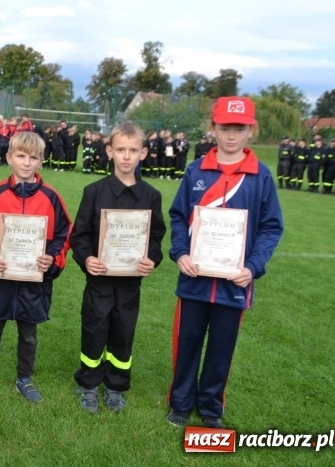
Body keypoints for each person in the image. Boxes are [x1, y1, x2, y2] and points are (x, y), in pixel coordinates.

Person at [166, 96, 283, 429]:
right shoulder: (195, 171)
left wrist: (253, 267)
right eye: (224, 128)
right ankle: (180, 402)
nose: (231, 136)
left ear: (251, 131)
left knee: (221, 349)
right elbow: (178, 218)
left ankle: (210, 409)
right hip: (195, 278)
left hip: (235, 282)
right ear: (212, 128)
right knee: (186, 342)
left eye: (239, 129)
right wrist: (181, 253)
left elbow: (271, 227)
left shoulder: (260, 176)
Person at [0, 131, 72, 403]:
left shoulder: (51, 198)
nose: (26, 162)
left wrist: (52, 258)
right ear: (9, 158)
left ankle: (24, 377)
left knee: (29, 334)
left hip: (34, 282)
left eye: (33, 157)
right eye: (21, 156)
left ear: (41, 161)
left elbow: (65, 234)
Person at [69, 121, 166, 413]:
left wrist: (152, 259)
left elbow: (156, 237)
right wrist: (87, 259)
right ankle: (87, 384)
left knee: (123, 334)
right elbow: (80, 236)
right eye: (120, 149)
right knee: (94, 330)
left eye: (133, 150)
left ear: (143, 153)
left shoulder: (151, 196)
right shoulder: (94, 191)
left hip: (130, 283)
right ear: (109, 151)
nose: (126, 156)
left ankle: (116, 386)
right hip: (99, 281)